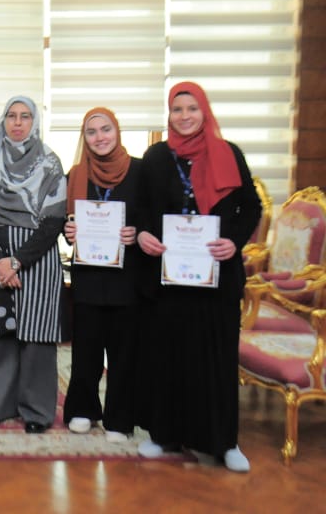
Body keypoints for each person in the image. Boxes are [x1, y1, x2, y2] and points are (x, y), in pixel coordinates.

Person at [134, 81, 261, 472]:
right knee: (167, 358)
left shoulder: (229, 153)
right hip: (168, 277)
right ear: (169, 115)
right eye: (177, 109)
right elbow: (140, 208)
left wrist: (233, 242)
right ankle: (164, 435)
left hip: (215, 277)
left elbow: (251, 207)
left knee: (216, 360)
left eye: (192, 108)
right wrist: (143, 234)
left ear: (204, 111)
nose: (185, 116)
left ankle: (225, 442)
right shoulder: (156, 157)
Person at [0, 96, 66, 433]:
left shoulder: (50, 164)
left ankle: (37, 412)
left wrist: (17, 261)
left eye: (25, 116)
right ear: (3, 121)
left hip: (37, 260)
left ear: (34, 122)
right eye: (11, 116)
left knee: (36, 338)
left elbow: (53, 223)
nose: (17, 122)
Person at [61, 107, 142, 443]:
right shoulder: (76, 174)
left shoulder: (139, 171)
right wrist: (68, 230)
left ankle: (119, 418)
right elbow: (66, 219)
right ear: (85, 138)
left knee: (124, 350)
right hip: (89, 274)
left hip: (128, 275)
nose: (99, 137)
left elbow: (151, 217)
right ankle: (83, 409)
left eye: (105, 129)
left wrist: (137, 232)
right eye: (91, 132)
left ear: (117, 130)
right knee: (87, 347)